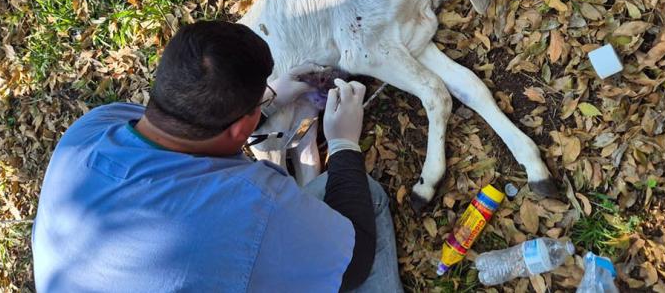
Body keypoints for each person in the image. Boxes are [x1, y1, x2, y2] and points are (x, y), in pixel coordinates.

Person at [32, 20, 404, 292]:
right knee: (364, 198)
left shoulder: (94, 127)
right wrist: (342, 143)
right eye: (259, 104)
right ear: (241, 129)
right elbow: (354, 263)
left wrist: (267, 99)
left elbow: (191, 127)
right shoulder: (254, 205)